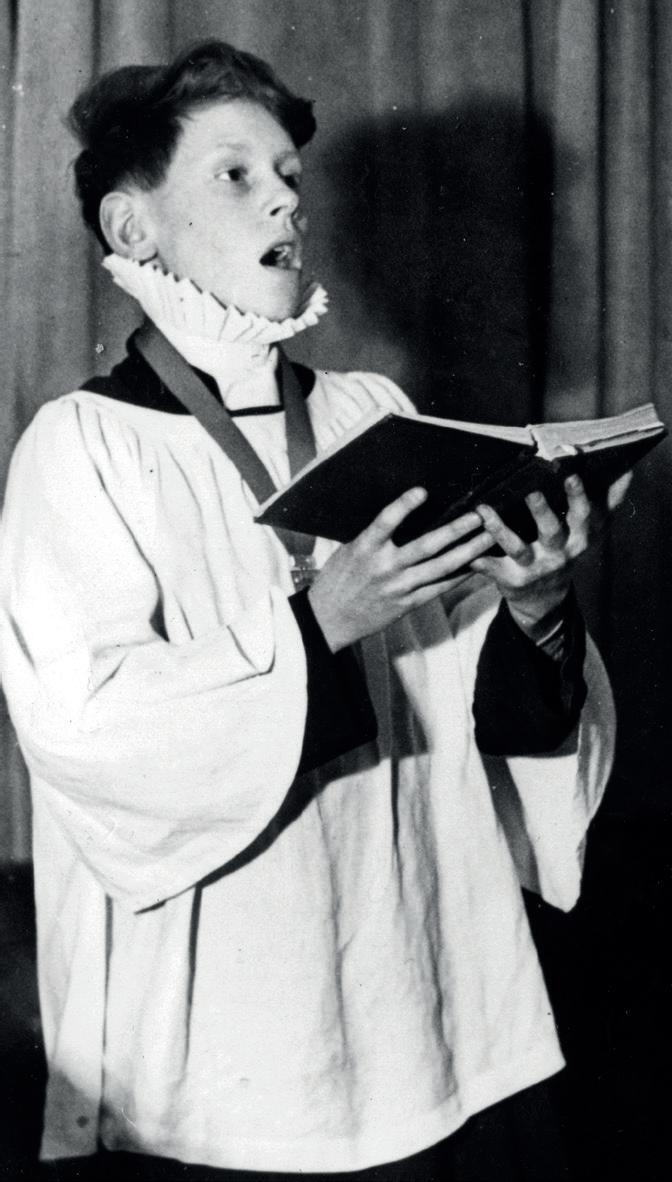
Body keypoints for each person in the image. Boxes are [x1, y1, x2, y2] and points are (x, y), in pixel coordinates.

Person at [0, 39, 623, 1182]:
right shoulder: (83, 448)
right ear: (134, 228)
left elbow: (471, 715)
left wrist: (534, 607)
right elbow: (86, 734)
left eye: (288, 173)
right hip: (218, 1059)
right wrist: (319, 624)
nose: (286, 195)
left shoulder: (374, 416)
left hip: (413, 1008)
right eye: (236, 174)